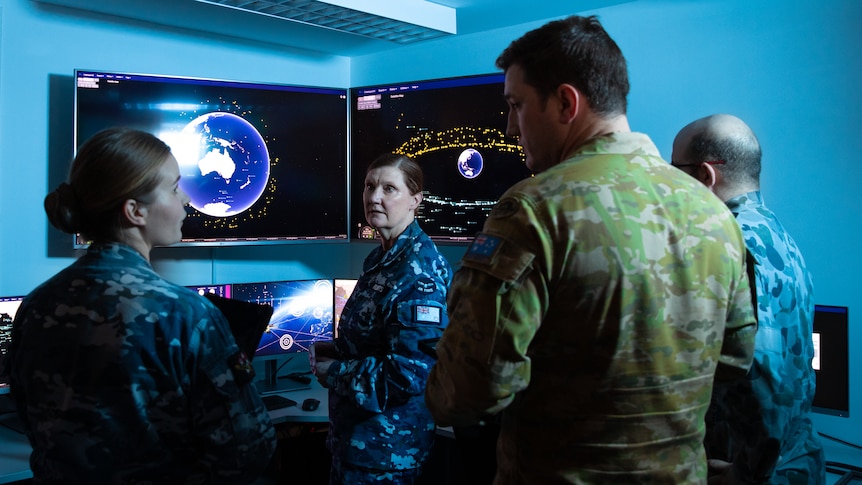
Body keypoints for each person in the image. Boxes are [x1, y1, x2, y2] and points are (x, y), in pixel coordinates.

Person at [424, 15, 758, 484]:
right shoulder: (713, 211)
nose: (510, 127)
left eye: (517, 105)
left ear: (565, 103)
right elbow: (734, 360)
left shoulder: (535, 208)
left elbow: (467, 391)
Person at [8, 127, 276, 483]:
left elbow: (28, 419)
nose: (186, 200)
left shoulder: (35, 306)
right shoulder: (185, 314)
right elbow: (249, 448)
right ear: (135, 211)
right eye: (174, 187)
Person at [672, 114, 825, 484]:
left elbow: (763, 376)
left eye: (675, 171)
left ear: (706, 176)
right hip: (793, 458)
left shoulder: (732, 247)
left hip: (751, 471)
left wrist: (745, 473)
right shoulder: (778, 235)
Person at [309, 153, 452, 485]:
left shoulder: (419, 272)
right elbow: (380, 338)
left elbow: (409, 372)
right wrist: (337, 348)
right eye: (370, 186)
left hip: (386, 452)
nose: (374, 197)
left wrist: (335, 372)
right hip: (357, 444)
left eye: (389, 189)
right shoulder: (381, 257)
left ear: (416, 200)